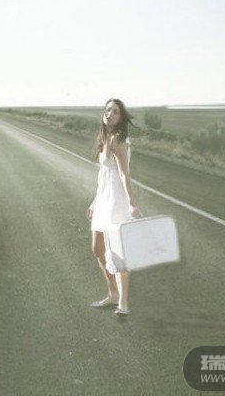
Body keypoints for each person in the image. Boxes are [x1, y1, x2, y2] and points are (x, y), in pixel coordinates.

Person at [87, 98, 141, 315]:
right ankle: (113, 293)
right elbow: (104, 176)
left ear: (121, 118)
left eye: (115, 112)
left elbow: (123, 174)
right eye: (108, 110)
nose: (110, 114)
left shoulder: (118, 141)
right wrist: (95, 201)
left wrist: (132, 204)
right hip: (103, 199)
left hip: (116, 201)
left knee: (117, 252)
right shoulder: (105, 138)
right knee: (97, 249)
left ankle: (123, 303)